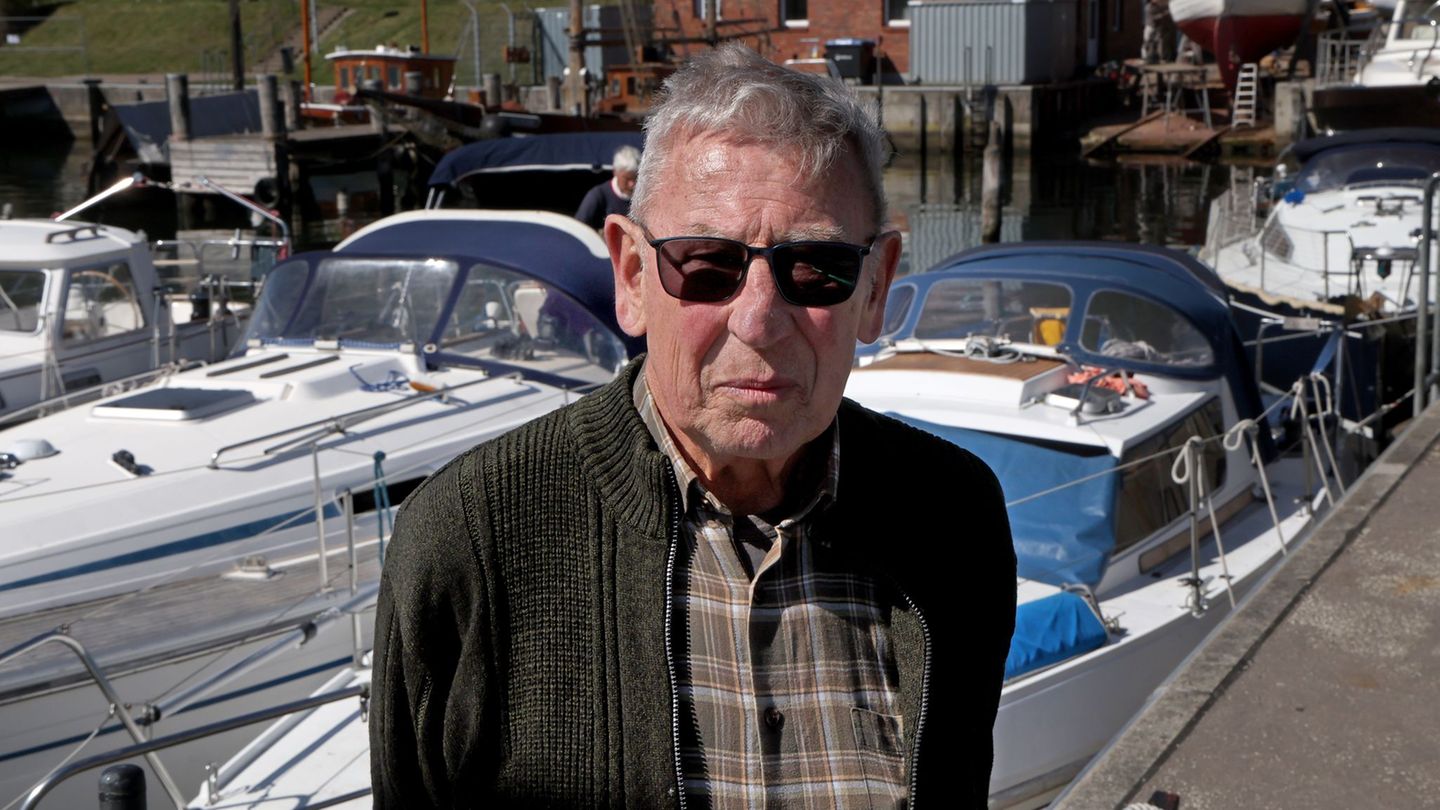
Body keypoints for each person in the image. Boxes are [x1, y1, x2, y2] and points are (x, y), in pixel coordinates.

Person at [371, 43, 1016, 809]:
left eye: (816, 268)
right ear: (633, 278)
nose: (759, 319)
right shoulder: (466, 541)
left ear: (875, 288)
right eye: (707, 264)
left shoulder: (953, 517)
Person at [575, 145, 640, 229]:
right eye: (626, 178)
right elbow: (579, 228)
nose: (632, 184)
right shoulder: (597, 196)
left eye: (636, 178)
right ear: (615, 172)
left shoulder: (643, 197)